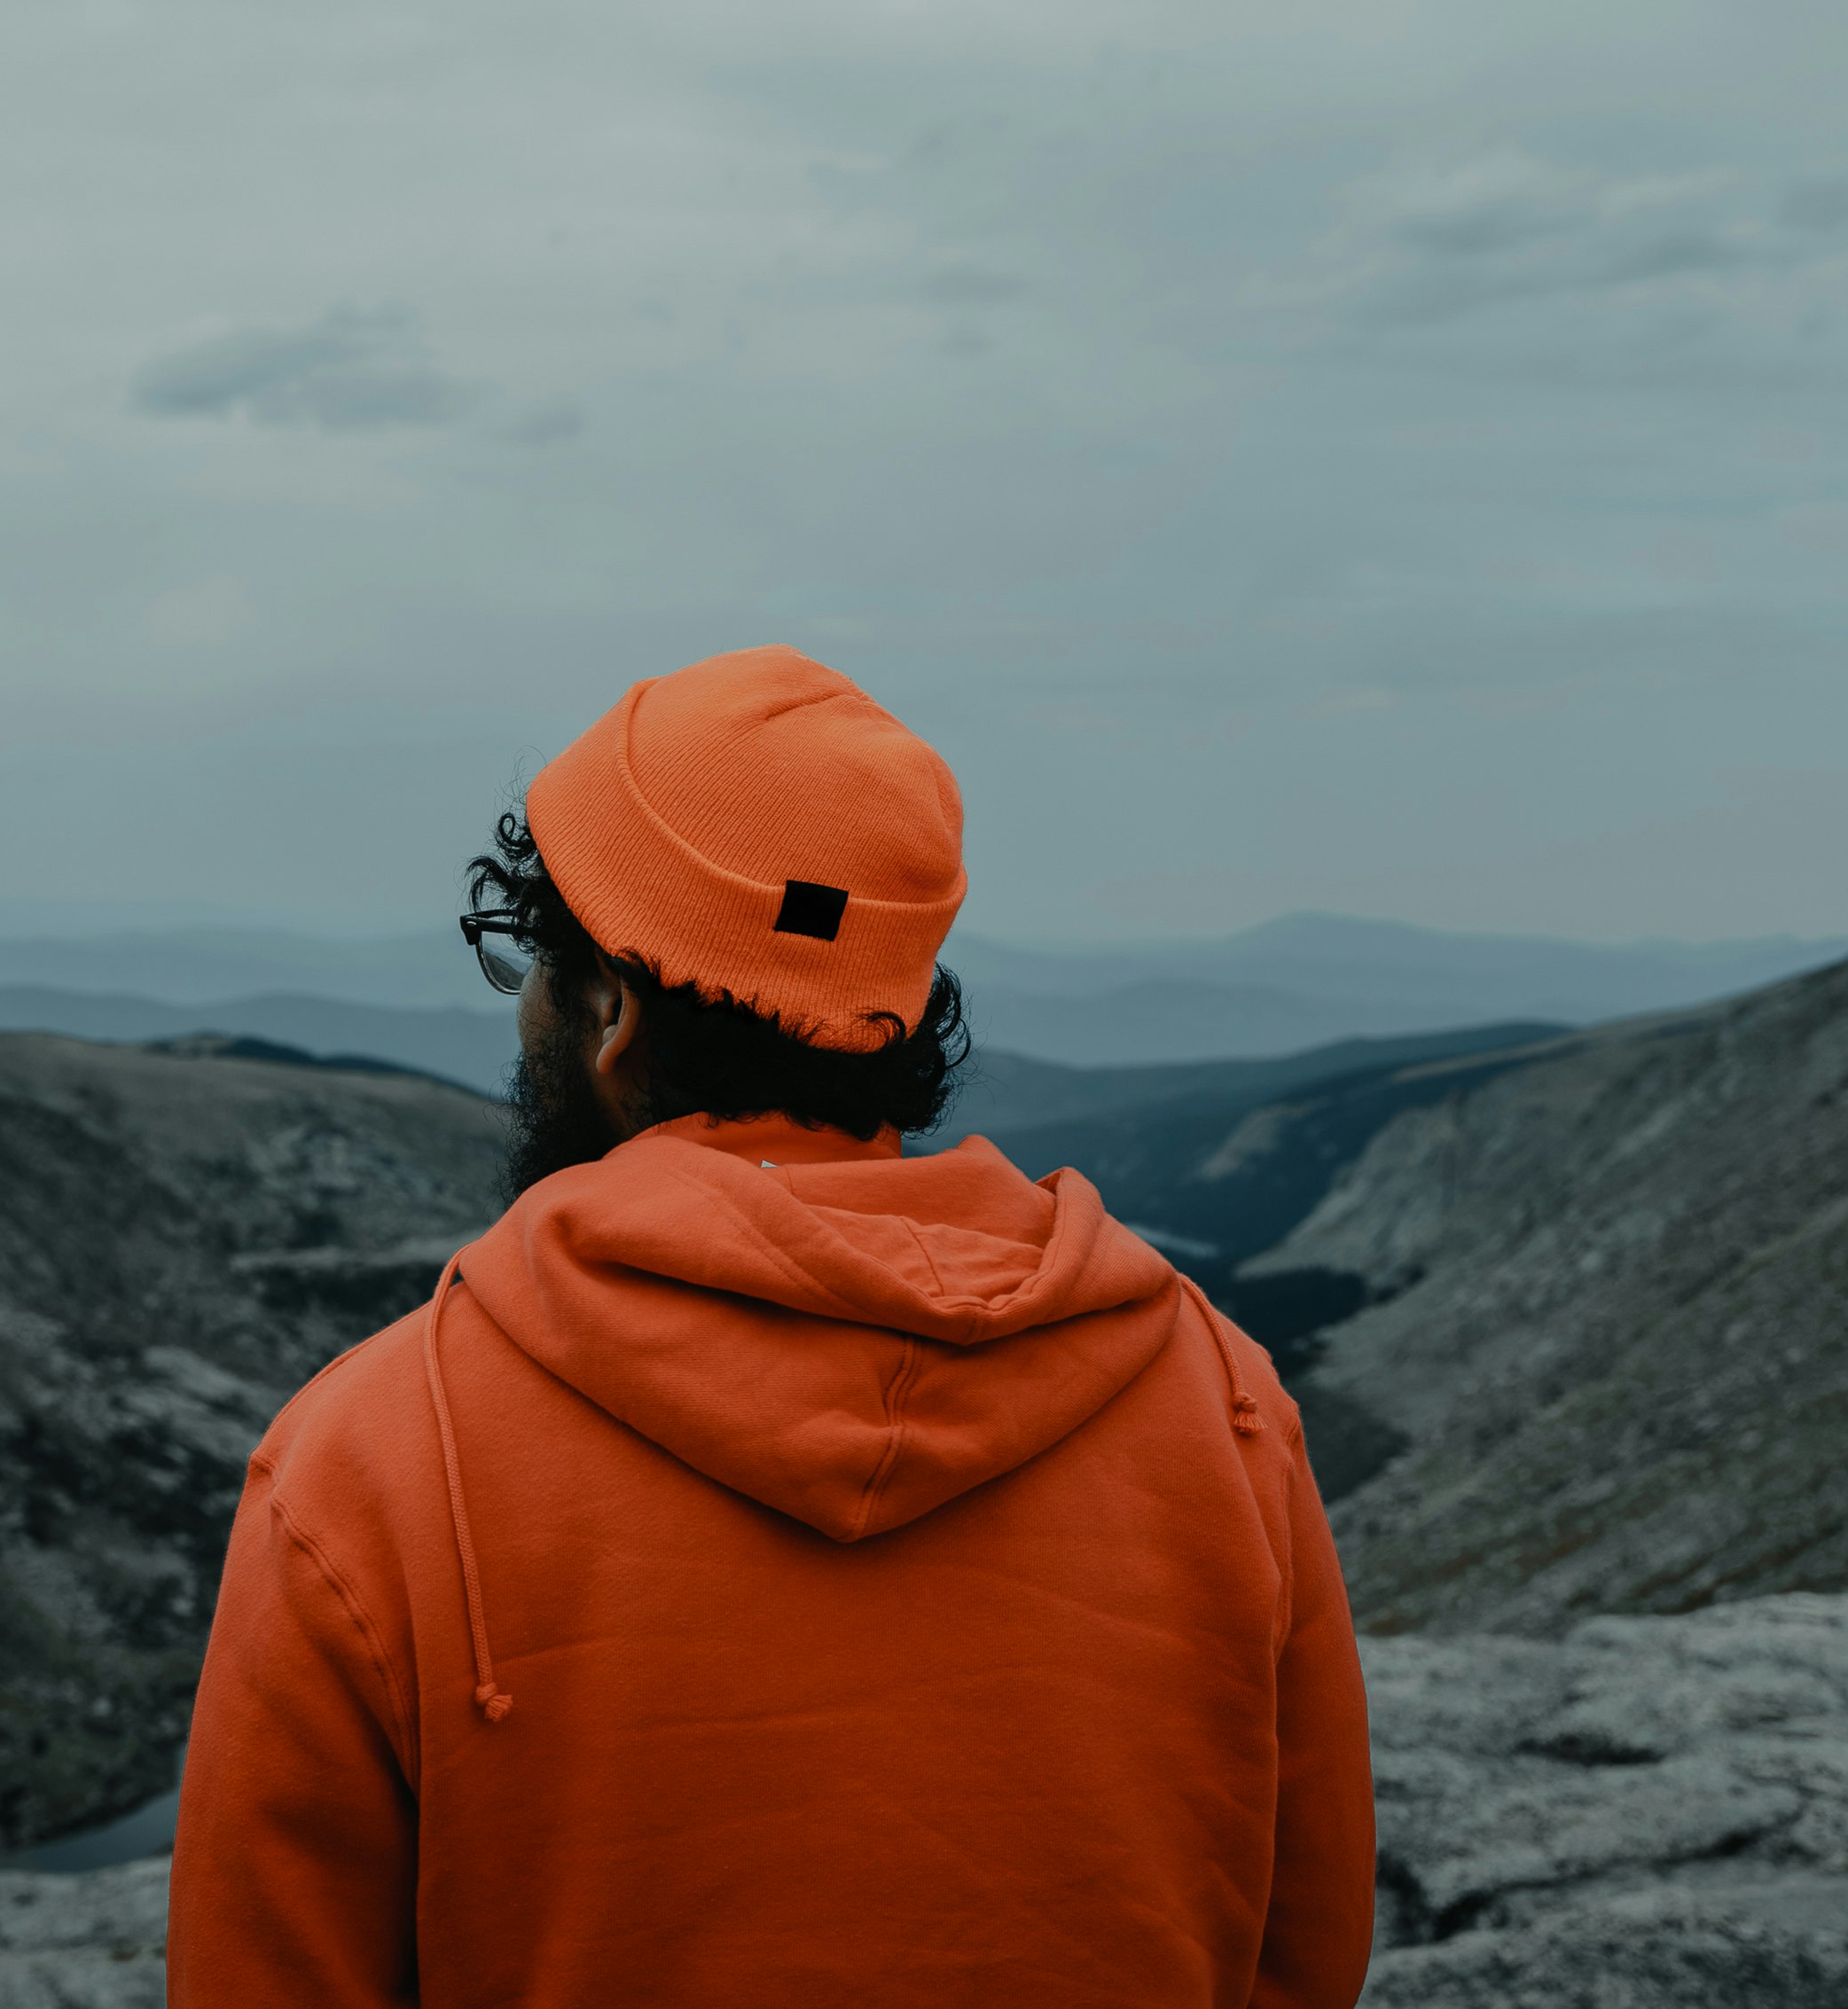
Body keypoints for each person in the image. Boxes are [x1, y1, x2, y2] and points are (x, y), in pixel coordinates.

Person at [167, 646, 1375, 2007]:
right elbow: (1305, 1955)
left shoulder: (364, 1459)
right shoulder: (1224, 1404)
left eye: (534, 969)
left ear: (613, 1012)